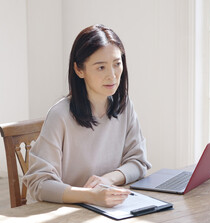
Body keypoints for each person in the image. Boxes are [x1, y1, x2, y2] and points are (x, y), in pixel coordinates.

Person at [23, 24, 151, 208]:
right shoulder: (60, 116)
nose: (112, 75)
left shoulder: (124, 106)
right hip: (62, 213)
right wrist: (90, 195)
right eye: (101, 67)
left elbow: (138, 162)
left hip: (105, 209)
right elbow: (39, 184)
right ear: (79, 70)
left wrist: (107, 180)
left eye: (117, 63)